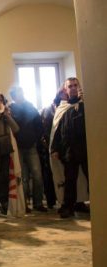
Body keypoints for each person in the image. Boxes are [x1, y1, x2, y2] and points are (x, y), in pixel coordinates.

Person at [51, 77, 89, 218]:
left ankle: (99, 204)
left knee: (91, 179)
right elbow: (57, 130)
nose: (73, 88)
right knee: (70, 181)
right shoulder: (63, 108)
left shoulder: (86, 105)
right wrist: (54, 149)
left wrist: (85, 103)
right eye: (70, 86)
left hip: (86, 150)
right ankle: (68, 207)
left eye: (75, 85)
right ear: (66, 90)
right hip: (69, 151)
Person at [9, 87, 47, 213]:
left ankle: (38, 203)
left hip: (31, 146)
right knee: (22, 178)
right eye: (18, 94)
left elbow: (39, 124)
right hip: (18, 148)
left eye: (21, 93)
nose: (20, 95)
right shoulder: (10, 109)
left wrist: (35, 138)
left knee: (37, 175)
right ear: (13, 96)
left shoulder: (30, 106)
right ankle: (24, 204)